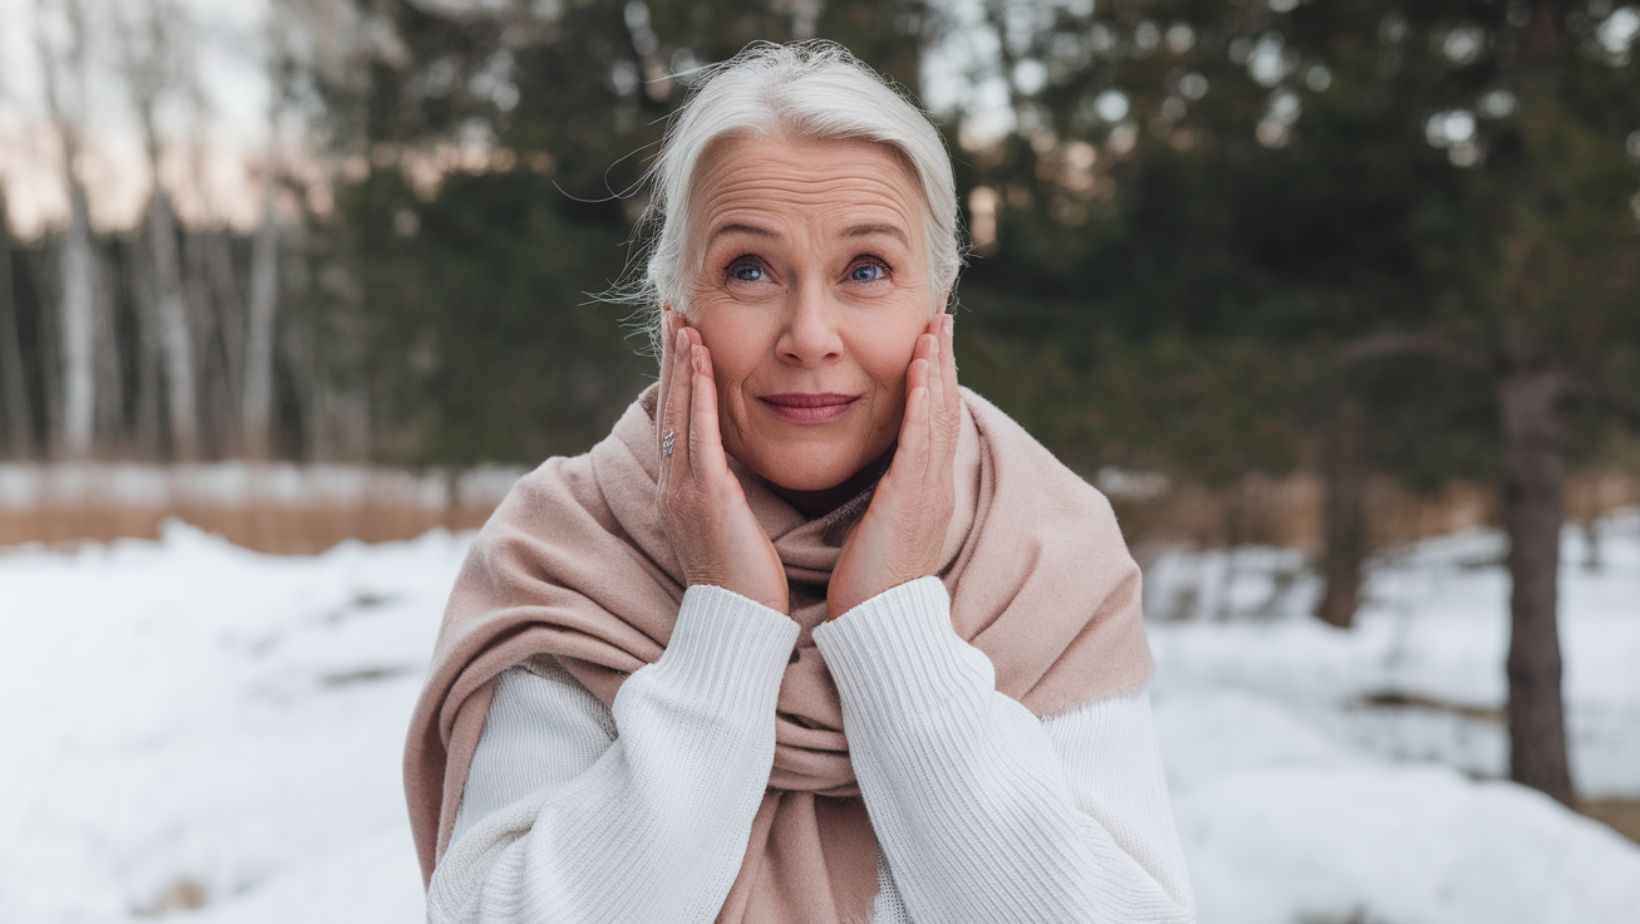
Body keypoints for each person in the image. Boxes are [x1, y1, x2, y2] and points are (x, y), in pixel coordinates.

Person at [403, 39, 1197, 924]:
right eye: (750, 270)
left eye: (866, 271)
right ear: (678, 309)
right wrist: (726, 630)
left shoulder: (1047, 554)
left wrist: (894, 624)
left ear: (938, 307)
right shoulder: (568, 552)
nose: (810, 334)